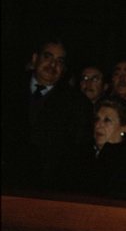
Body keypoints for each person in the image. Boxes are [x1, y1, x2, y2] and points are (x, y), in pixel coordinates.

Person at [1, 37, 91, 191]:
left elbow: (78, 152)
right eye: (47, 57)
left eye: (59, 61)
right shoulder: (8, 89)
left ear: (64, 69)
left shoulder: (77, 103)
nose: (53, 65)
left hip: (49, 188)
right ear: (35, 59)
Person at [74, 98, 126, 197]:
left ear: (125, 128)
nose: (98, 125)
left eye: (107, 120)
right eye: (97, 119)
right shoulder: (81, 154)